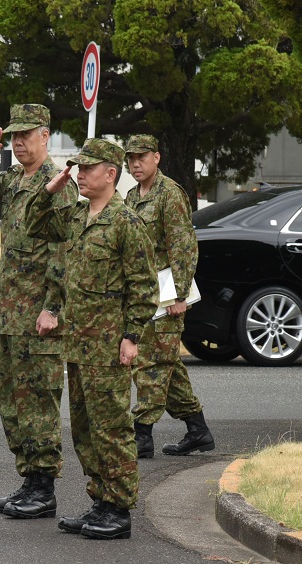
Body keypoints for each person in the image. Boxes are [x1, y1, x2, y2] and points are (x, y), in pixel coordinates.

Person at [26, 138, 159, 540]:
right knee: (84, 431)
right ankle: (100, 500)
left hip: (108, 346)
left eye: (87, 169)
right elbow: (34, 224)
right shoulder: (78, 216)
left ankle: (119, 510)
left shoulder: (125, 222)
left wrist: (132, 336)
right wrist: (49, 189)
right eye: (77, 168)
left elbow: (144, 286)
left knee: (112, 429)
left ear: (110, 174)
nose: (79, 175)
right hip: (78, 344)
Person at [0, 104, 78, 519]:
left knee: (38, 400)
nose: (19, 142)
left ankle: (44, 487)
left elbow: (64, 251)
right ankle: (29, 479)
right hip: (10, 314)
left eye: (26, 135)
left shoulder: (57, 184)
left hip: (39, 316)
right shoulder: (13, 182)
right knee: (13, 402)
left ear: (45, 135)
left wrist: (52, 308)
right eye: (14, 136)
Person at [123, 134, 215, 458]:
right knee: (168, 365)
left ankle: (142, 434)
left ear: (156, 157)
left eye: (142, 157)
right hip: (142, 294)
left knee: (151, 363)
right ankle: (198, 430)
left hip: (166, 293)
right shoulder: (132, 196)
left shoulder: (170, 194)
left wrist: (179, 294)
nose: (136, 163)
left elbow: (184, 246)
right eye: (131, 158)